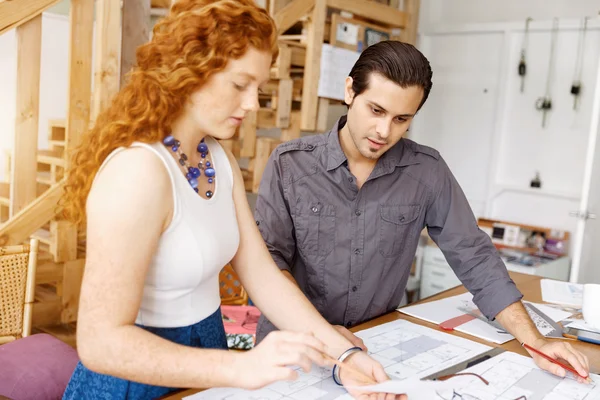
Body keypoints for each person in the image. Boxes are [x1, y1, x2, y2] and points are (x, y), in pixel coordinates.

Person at [59, 1, 402, 399]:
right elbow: (101, 343)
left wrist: (343, 355)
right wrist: (241, 366)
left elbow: (262, 275)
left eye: (258, 87)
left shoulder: (215, 158)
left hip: (206, 360)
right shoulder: (138, 172)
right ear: (190, 72)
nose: (253, 104)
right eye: (240, 85)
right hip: (132, 383)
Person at [254, 40, 591, 382]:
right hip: (292, 349)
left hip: (374, 346)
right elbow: (267, 265)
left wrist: (534, 341)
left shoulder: (426, 171)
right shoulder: (290, 165)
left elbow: (473, 255)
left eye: (402, 119)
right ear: (349, 91)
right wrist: (323, 335)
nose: (384, 132)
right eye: (376, 110)